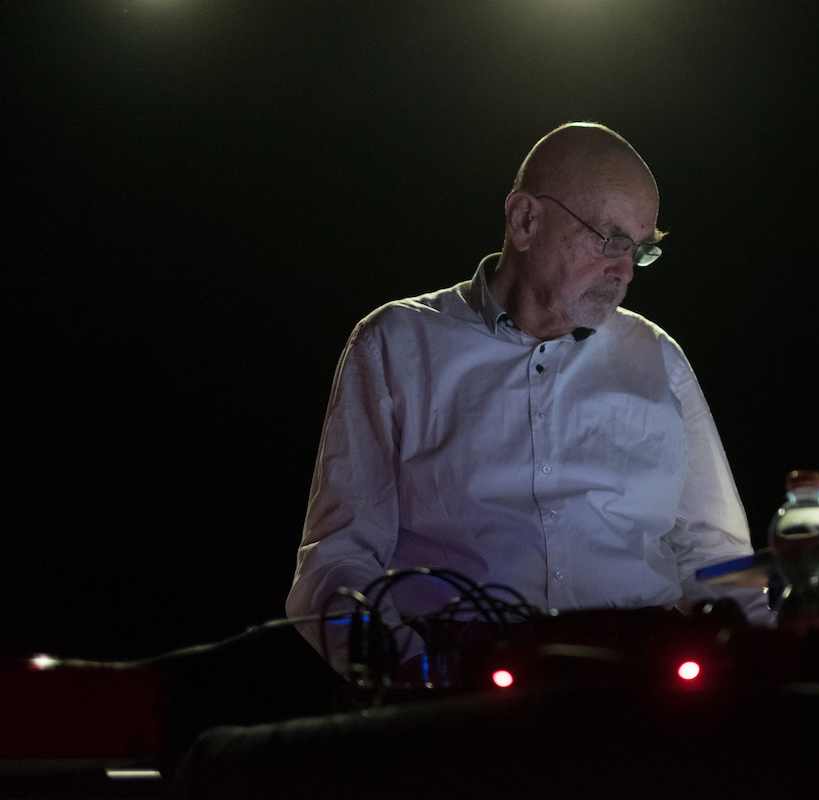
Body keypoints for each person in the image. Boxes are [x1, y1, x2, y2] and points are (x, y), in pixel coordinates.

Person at [286, 123, 769, 676]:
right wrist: (412, 673)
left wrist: (772, 659)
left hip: (640, 681)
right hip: (461, 685)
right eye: (610, 240)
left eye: (640, 251)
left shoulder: (657, 357)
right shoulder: (395, 346)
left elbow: (718, 558)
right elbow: (336, 563)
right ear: (525, 220)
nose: (624, 272)